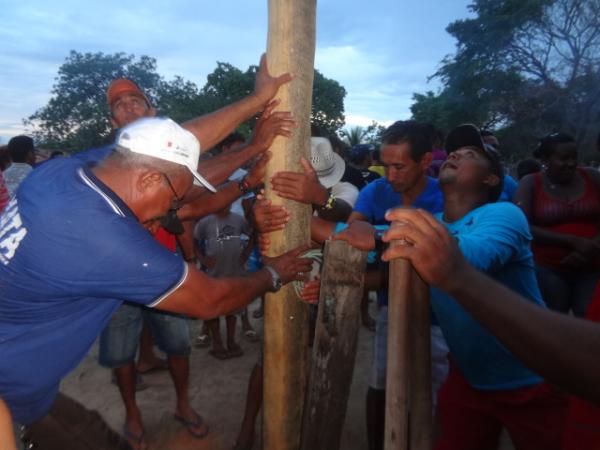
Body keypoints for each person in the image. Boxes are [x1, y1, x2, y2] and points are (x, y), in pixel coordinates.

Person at [0, 117, 312, 449]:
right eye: (175, 198)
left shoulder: (61, 173)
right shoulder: (103, 238)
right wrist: (272, 274)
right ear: (149, 179)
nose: (173, 209)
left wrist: (252, 134)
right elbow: (209, 300)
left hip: (28, 392)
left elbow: (184, 157)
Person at [88, 61, 292, 448]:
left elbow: (190, 200)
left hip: (166, 272)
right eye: (119, 105)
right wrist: (253, 141)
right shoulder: (105, 164)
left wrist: (248, 176)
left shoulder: (168, 154)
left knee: (179, 346)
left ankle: (183, 405)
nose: (129, 108)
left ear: (151, 111)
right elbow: (189, 200)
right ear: (112, 119)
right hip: (115, 280)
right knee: (121, 356)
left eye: (136, 100)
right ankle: (133, 414)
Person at [338, 124, 567, 450]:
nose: (458, 153)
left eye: (471, 154)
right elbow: (346, 233)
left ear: (491, 179)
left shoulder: (503, 214)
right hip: (468, 380)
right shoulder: (435, 224)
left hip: (530, 376)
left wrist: (378, 234)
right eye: (455, 151)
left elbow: (469, 258)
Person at [515, 132, 600, 316]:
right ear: (546, 159)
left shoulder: (592, 178)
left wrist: (592, 246)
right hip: (549, 268)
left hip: (592, 266)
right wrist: (572, 241)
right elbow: (522, 225)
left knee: (589, 320)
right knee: (555, 319)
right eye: (564, 158)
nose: (571, 163)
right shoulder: (530, 183)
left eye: (574, 157)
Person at [194, 202, 254, 359]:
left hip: (234, 272)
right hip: (214, 274)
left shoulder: (239, 220)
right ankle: (217, 343)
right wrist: (202, 258)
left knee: (232, 309)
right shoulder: (206, 222)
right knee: (214, 308)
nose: (224, 205)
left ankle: (231, 341)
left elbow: (252, 236)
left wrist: (246, 254)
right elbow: (193, 240)